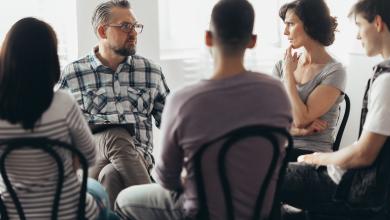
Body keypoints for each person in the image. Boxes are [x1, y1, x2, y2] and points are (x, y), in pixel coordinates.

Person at [114, 0, 292, 219]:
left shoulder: (184, 100)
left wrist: (189, 178)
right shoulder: (277, 92)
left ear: (208, 38)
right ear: (252, 41)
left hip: (202, 212)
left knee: (123, 200)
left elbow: (166, 179)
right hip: (261, 211)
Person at [279, 0, 390, 217]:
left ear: (378, 23)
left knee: (260, 178)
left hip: (342, 186)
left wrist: (318, 158)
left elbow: (364, 154)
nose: (357, 35)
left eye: (359, 25)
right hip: (358, 183)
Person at [0, 17, 114, 219]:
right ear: (49, 59)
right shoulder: (63, 103)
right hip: (70, 212)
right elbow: (90, 156)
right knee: (97, 190)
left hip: (14, 214)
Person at [58, 0, 170, 206]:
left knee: (111, 175)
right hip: (91, 160)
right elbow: (61, 131)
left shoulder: (151, 71)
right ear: (102, 31)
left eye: (135, 26)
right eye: (126, 26)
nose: (134, 32)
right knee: (115, 136)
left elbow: (171, 123)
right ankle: (159, 206)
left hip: (138, 160)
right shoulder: (73, 73)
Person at [273, 0, 347, 161]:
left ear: (310, 25)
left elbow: (300, 119)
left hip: (311, 156)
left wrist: (288, 77)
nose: (285, 32)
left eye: (290, 24)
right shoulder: (282, 65)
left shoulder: (334, 71)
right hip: (278, 149)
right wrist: (299, 132)